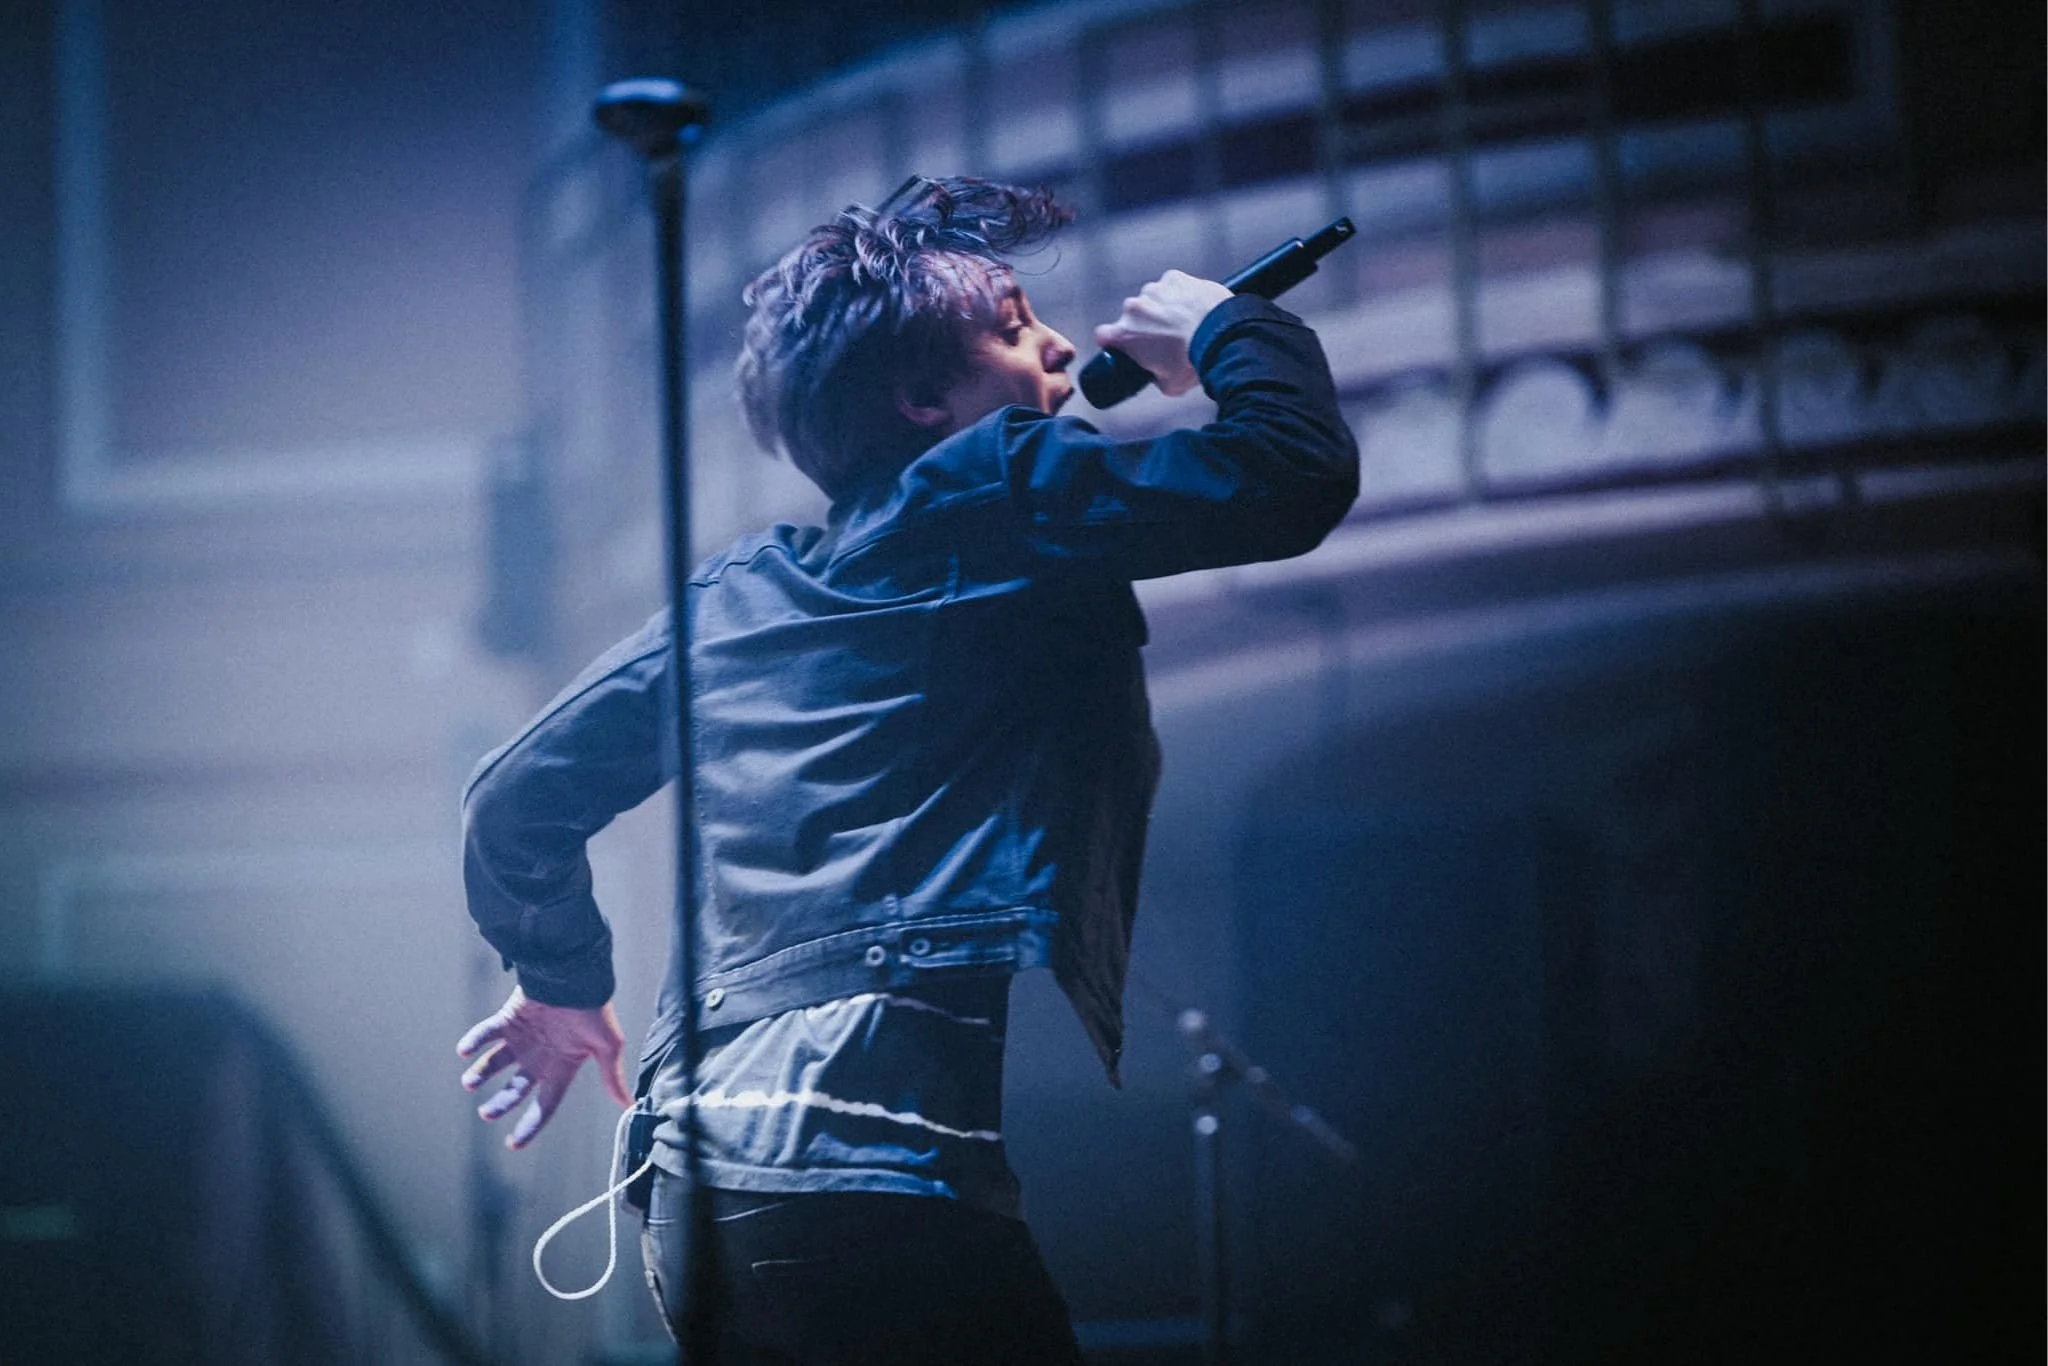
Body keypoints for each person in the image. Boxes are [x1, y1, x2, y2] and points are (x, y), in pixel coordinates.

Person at [453, 177, 1358, 1363]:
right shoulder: (1000, 491)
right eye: (1014, 323)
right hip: (865, 1163)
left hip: (698, 1191)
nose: (1060, 346)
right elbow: (1287, 471)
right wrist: (1222, 326)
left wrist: (562, 979)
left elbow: (513, 796)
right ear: (926, 399)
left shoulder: (735, 596)